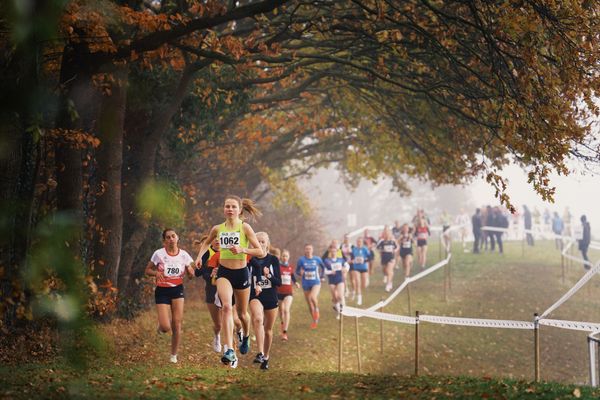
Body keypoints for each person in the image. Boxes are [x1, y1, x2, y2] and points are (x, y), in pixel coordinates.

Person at [194, 195, 265, 368]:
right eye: (227, 206)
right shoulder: (218, 228)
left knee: (242, 314)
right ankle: (229, 349)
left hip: (241, 273)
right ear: (224, 209)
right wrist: (199, 257)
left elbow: (260, 252)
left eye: (233, 206)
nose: (230, 209)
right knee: (226, 307)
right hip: (224, 273)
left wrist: (243, 249)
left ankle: (246, 335)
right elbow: (206, 243)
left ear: (239, 210)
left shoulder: (245, 227)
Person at [145, 228, 195, 364]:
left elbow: (191, 275)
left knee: (177, 324)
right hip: (162, 291)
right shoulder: (158, 254)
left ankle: (173, 355)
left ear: (177, 238)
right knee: (166, 327)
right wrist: (156, 273)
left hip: (177, 290)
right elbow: (147, 270)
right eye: (168, 237)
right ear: (164, 241)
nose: (171, 239)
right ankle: (161, 326)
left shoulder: (184, 255)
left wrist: (190, 272)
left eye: (173, 236)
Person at [249, 232, 281, 370]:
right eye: (258, 241)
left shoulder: (273, 260)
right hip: (255, 295)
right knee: (257, 318)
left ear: (267, 243)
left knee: (268, 330)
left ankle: (266, 357)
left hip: (271, 296)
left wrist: (268, 275)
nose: (260, 244)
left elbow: (278, 282)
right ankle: (260, 352)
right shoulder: (250, 260)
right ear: (253, 243)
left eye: (263, 242)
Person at [296, 244, 325, 329]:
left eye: (310, 249)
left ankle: (317, 309)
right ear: (305, 250)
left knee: (312, 297)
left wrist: (322, 276)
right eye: (306, 249)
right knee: (309, 303)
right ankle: (314, 321)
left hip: (316, 282)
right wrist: (299, 273)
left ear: (312, 250)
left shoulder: (317, 259)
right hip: (306, 283)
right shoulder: (301, 260)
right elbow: (297, 271)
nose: (308, 250)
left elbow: (323, 267)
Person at [323, 244, 350, 318]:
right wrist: (330, 272)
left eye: (335, 251)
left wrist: (345, 269)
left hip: (339, 279)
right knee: (334, 297)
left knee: (340, 296)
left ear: (337, 251)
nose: (333, 253)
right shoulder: (327, 261)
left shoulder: (340, 259)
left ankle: (343, 311)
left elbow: (347, 265)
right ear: (330, 252)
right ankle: (338, 312)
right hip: (331, 280)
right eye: (332, 251)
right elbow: (324, 271)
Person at [277, 249, 298, 341]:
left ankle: (285, 332)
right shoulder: (278, 267)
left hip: (288, 292)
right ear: (281, 257)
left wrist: (296, 283)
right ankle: (282, 323)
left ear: (288, 257)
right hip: (278, 293)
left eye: (286, 256)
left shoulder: (290, 267)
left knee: (286, 310)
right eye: (283, 255)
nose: (285, 257)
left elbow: (293, 277)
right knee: (281, 312)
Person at [350, 236, 370, 306]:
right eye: (358, 242)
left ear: (362, 242)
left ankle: (364, 283)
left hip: (364, 267)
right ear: (356, 242)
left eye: (360, 242)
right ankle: (359, 298)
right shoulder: (354, 249)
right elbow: (352, 257)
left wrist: (364, 260)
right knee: (357, 282)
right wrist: (352, 260)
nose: (359, 243)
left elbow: (370, 257)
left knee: (364, 285)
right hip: (356, 268)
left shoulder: (365, 249)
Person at [377, 228, 398, 292]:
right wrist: (381, 251)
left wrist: (394, 250)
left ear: (390, 234)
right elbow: (377, 248)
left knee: (389, 270)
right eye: (385, 233)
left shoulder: (393, 241)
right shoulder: (381, 241)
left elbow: (397, 247)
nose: (386, 235)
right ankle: (390, 281)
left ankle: (388, 285)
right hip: (384, 258)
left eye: (388, 233)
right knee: (384, 270)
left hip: (391, 258)